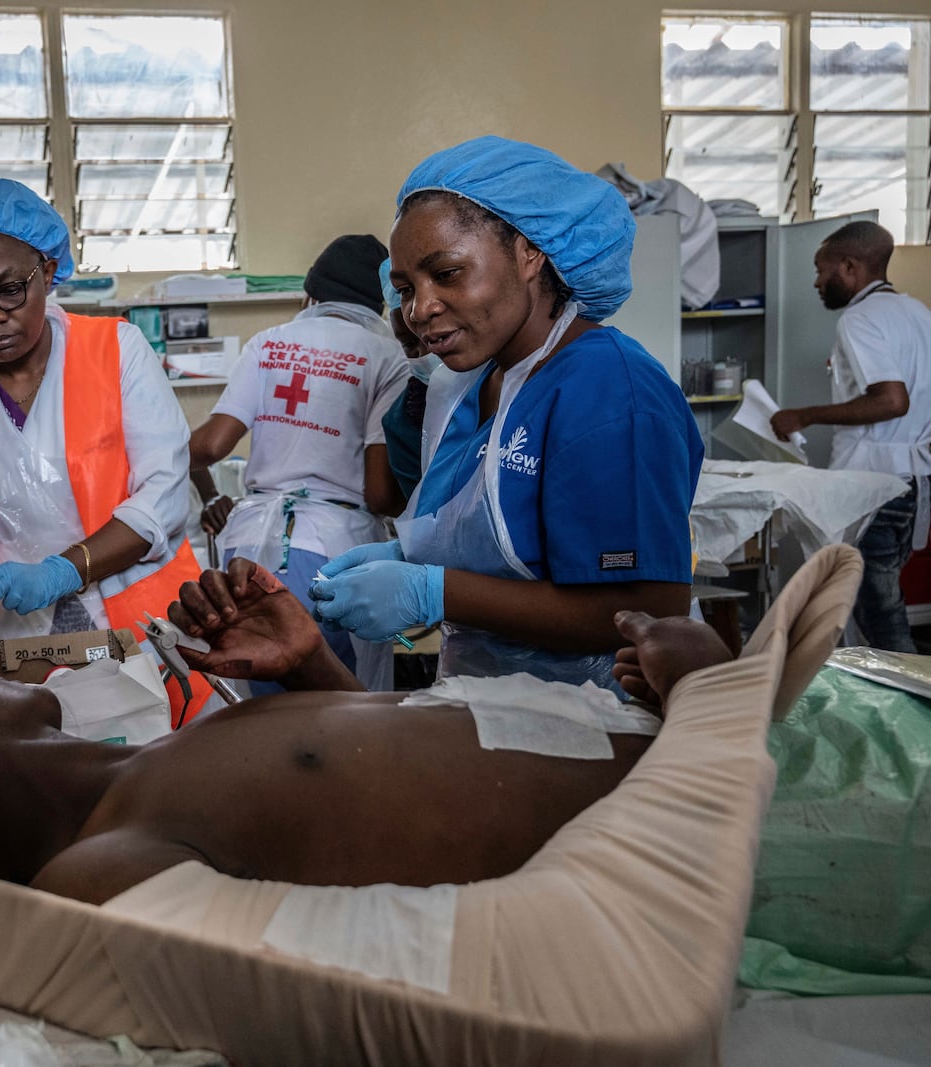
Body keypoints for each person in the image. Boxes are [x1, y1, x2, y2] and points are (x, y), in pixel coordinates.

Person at [0, 557, 733, 915]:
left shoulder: (141, 779)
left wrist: (309, 668)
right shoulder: (104, 869)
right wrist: (703, 691)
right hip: (720, 791)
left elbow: (395, 785)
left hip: (662, 730)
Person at [311, 136, 704, 691]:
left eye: (446, 273)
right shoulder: (479, 384)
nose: (420, 309)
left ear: (529, 252)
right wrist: (408, 555)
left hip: (596, 720)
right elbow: (502, 542)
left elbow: (649, 608)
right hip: (494, 704)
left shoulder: (610, 387)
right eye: (404, 289)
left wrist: (432, 591)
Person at [0, 179, 208, 713]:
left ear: (48, 272)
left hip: (139, 625)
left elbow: (163, 495)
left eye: (9, 290)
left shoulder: (115, 352)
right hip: (13, 641)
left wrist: (63, 571)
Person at [187, 234, 409, 691]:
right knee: (341, 703)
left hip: (247, 550)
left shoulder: (268, 344)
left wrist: (211, 497)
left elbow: (208, 447)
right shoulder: (387, 355)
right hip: (338, 552)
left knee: (259, 698)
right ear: (381, 305)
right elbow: (379, 494)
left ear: (310, 294)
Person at [771, 221, 931, 651]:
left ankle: (911, 712)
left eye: (822, 271)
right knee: (873, 607)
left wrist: (803, 415)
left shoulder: (860, 319)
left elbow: (891, 400)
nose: (818, 282)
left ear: (850, 266)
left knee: (876, 614)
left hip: (873, 488)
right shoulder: (917, 312)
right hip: (908, 485)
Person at [376, 255, 438, 502]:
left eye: (431, 339)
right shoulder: (402, 422)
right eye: (409, 344)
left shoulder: (505, 387)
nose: (424, 354)